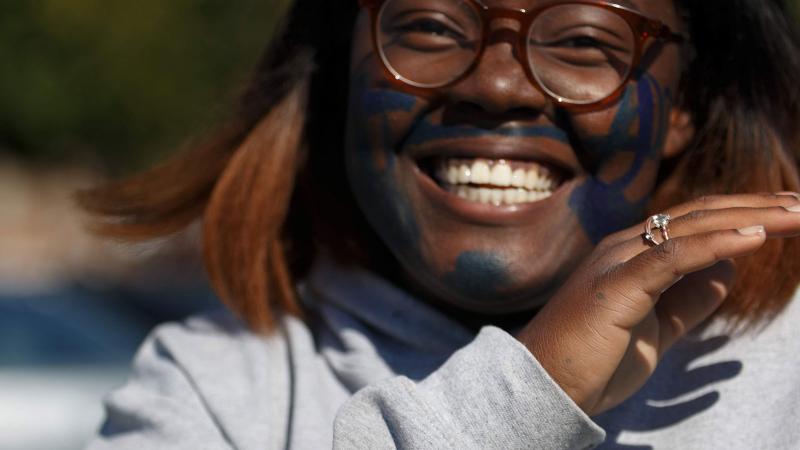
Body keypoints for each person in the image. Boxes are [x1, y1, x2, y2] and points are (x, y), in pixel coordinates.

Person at [82, 0, 800, 448]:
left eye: (584, 40)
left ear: (687, 104)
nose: (494, 85)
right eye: (427, 25)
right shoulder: (211, 390)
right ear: (340, 73)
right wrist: (525, 398)